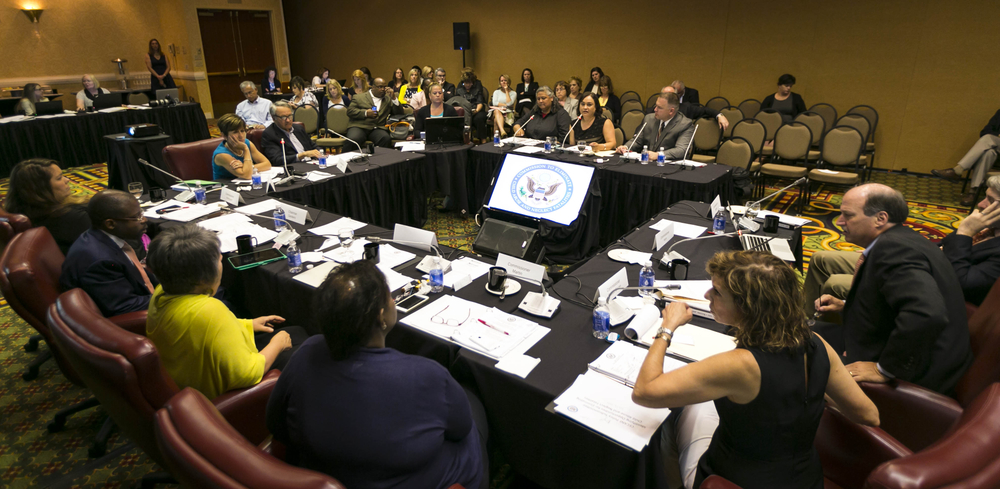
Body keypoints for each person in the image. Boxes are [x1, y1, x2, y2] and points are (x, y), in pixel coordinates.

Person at [632, 251, 879, 489]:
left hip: (729, 480)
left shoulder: (740, 365)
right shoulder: (818, 343)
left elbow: (644, 392)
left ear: (748, 308)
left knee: (671, 420)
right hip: (804, 479)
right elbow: (869, 415)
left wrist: (667, 327)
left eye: (717, 292)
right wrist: (810, 394)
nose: (707, 295)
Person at [265, 260, 487, 489]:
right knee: (473, 408)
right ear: (381, 317)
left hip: (322, 472)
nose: (393, 300)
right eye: (390, 296)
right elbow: (460, 429)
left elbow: (276, 424)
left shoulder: (306, 353)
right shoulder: (425, 376)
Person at [811, 184, 972, 395]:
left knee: (792, 350)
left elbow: (927, 314)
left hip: (915, 370)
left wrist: (883, 369)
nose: (839, 221)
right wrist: (845, 306)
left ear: (881, 219)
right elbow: (895, 303)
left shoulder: (894, 249)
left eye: (847, 215)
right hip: (891, 342)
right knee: (802, 332)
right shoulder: (903, 238)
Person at [146, 224, 307, 399]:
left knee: (296, 332)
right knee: (306, 351)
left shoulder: (161, 290)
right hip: (222, 398)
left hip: (188, 377)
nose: (221, 259)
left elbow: (199, 328)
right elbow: (248, 374)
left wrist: (248, 324)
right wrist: (278, 344)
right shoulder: (209, 310)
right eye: (218, 259)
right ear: (204, 276)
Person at [59, 190, 158, 318]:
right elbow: (125, 307)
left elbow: (139, 274)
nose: (144, 220)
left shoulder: (101, 237)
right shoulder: (100, 262)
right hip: (129, 324)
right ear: (110, 224)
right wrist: (173, 297)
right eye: (137, 217)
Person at [4, 159, 90, 254]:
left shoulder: (19, 210)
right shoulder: (73, 217)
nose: (67, 180)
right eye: (59, 178)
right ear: (41, 189)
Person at [941, 175, 1000, 305]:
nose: (980, 204)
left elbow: (961, 285)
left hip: (948, 305)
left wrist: (964, 232)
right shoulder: (988, 225)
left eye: (990, 200)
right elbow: (943, 245)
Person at [931, 109, 1000, 206]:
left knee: (989, 138)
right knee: (989, 153)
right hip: (996, 151)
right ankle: (973, 192)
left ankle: (958, 170)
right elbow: (984, 132)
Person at [617, 92, 695, 159]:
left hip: (668, 166)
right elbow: (637, 141)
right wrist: (626, 147)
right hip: (646, 163)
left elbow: (681, 150)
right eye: (656, 106)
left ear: (671, 111)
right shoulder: (649, 119)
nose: (655, 109)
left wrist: (658, 155)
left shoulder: (684, 124)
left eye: (659, 107)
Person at [346, 77, 401, 148]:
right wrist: (365, 113)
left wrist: (393, 98)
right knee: (353, 139)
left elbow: (399, 113)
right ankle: (345, 158)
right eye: (380, 87)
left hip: (377, 128)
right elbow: (350, 111)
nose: (382, 89)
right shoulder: (359, 97)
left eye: (384, 87)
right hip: (359, 127)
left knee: (385, 138)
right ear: (373, 87)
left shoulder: (388, 99)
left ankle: (380, 159)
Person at [262, 101, 321, 166]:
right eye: (283, 117)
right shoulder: (269, 134)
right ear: (273, 118)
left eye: (290, 116)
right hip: (295, 167)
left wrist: (320, 152)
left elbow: (312, 146)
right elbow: (277, 160)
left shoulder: (299, 128)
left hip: (312, 163)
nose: (288, 120)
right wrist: (302, 155)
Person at [212, 113, 271, 180]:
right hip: (225, 187)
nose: (241, 136)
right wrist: (245, 149)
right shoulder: (221, 154)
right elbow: (247, 175)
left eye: (242, 131)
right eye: (235, 132)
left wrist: (246, 167)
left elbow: (267, 164)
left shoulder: (247, 142)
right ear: (224, 135)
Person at [657, 86, 729, 131]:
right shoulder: (653, 111)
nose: (666, 98)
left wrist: (719, 115)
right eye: (663, 95)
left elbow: (705, 110)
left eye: (669, 96)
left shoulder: (686, 108)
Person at [456, 70, 488, 141]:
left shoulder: (477, 88)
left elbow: (480, 102)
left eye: (469, 83)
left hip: (476, 110)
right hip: (464, 111)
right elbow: (457, 102)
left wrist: (476, 110)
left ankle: (483, 141)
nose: (467, 85)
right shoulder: (459, 89)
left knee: (479, 119)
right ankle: (465, 140)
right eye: (466, 83)